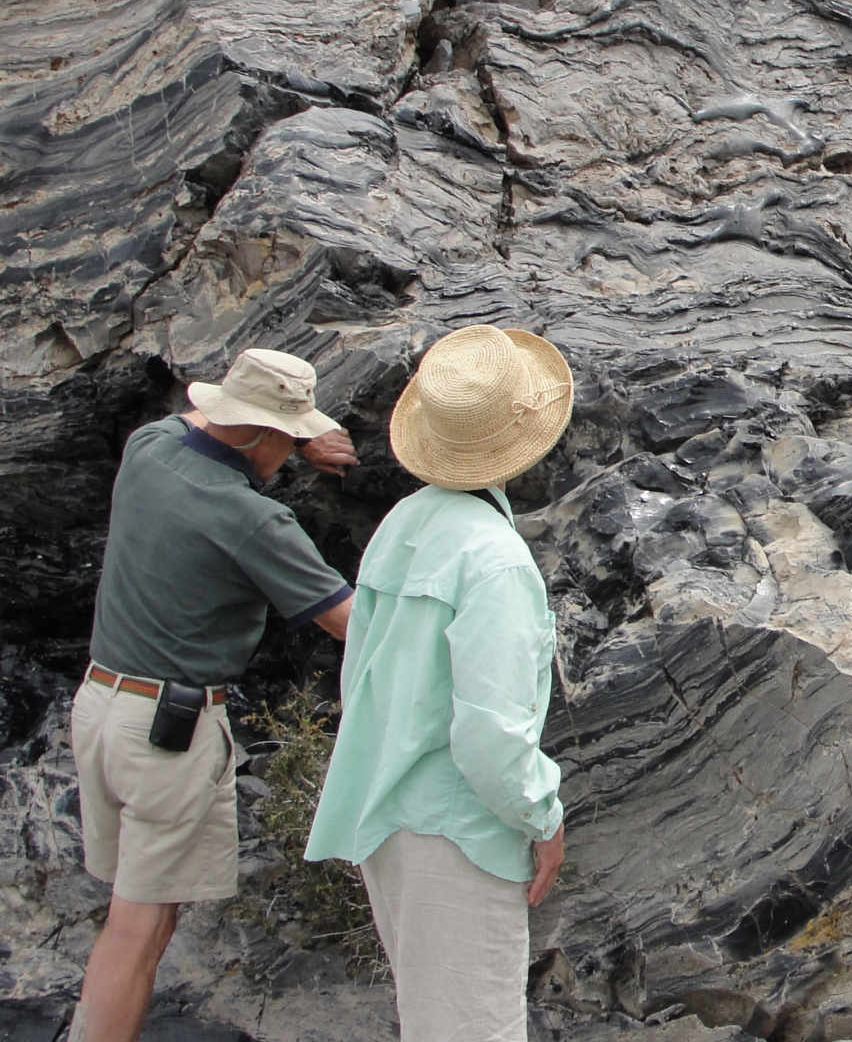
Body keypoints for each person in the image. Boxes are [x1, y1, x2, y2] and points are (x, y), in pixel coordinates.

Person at [73, 350, 357, 1042]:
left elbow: (199, 427)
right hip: (167, 738)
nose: (290, 456)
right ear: (262, 434)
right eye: (286, 442)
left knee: (129, 917)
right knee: (138, 932)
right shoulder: (251, 519)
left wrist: (286, 433)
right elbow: (354, 625)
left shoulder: (148, 449)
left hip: (99, 707)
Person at [308, 324, 575, 1042]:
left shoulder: (405, 523)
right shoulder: (495, 558)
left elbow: (360, 672)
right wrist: (543, 819)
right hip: (458, 833)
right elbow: (490, 731)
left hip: (388, 817)